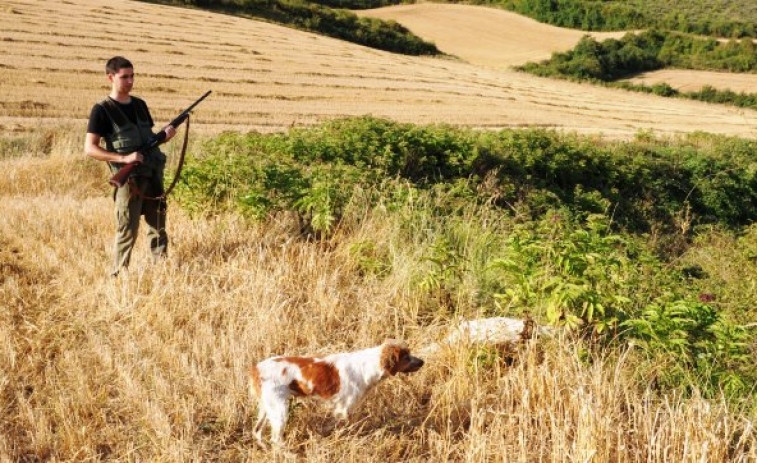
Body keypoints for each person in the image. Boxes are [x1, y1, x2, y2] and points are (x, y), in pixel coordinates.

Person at [85, 56, 177, 277]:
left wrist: (164, 136)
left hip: (153, 174)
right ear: (111, 77)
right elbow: (90, 148)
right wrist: (124, 159)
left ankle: (161, 271)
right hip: (129, 181)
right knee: (127, 230)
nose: (130, 81)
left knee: (158, 226)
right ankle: (118, 276)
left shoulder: (140, 105)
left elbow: (147, 141)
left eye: (132, 76)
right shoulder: (102, 110)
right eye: (124, 77)